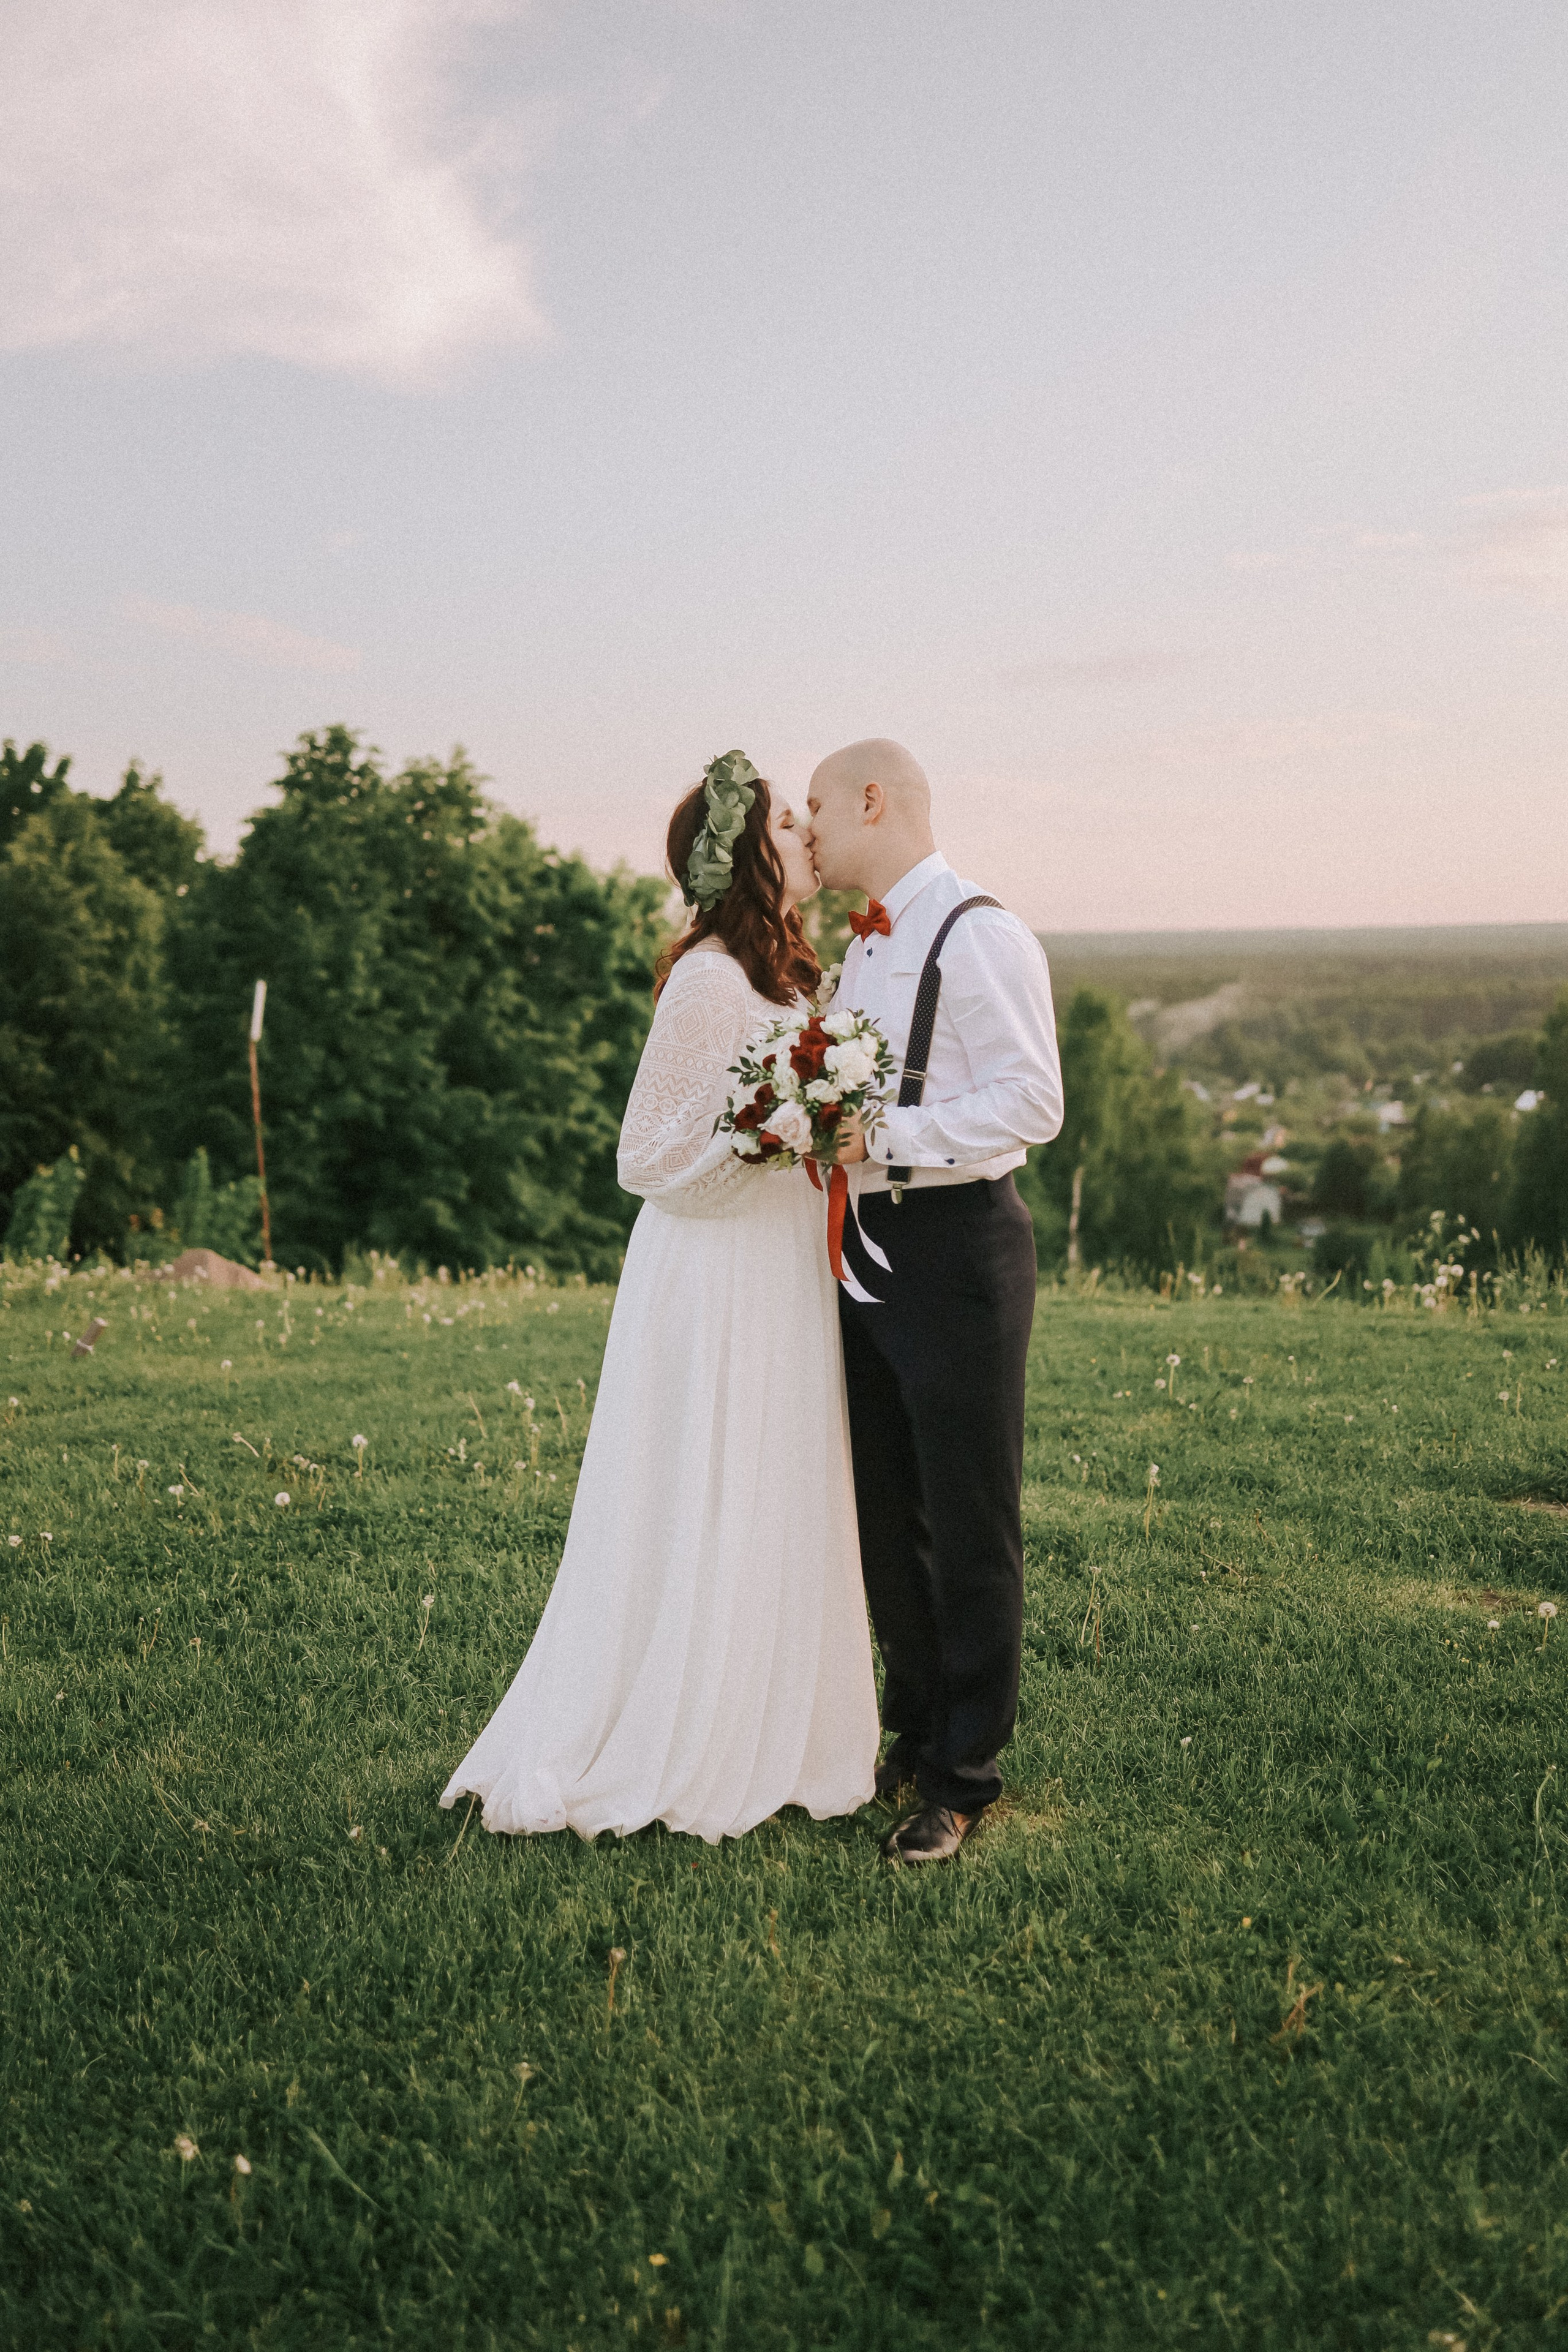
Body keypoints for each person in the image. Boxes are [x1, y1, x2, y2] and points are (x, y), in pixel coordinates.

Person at [440, 753, 878, 1844]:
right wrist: (770, 1135)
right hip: (716, 1268)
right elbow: (646, 1155)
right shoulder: (710, 979)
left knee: (774, 1476)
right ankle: (676, 1732)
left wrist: (806, 1128)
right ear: (747, 856)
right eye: (788, 821)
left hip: (777, 1264)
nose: (805, 833)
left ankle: (781, 1726)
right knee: (709, 1480)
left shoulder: (782, 975)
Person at [804, 739, 1063, 1863]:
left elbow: (1033, 1101)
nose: (806, 828)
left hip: (959, 1250)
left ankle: (964, 1774)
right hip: (867, 1250)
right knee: (883, 1508)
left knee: (969, 1520)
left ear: (874, 799)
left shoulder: (980, 931)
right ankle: (911, 1731)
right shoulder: (858, 948)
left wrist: (890, 1136)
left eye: (816, 806)